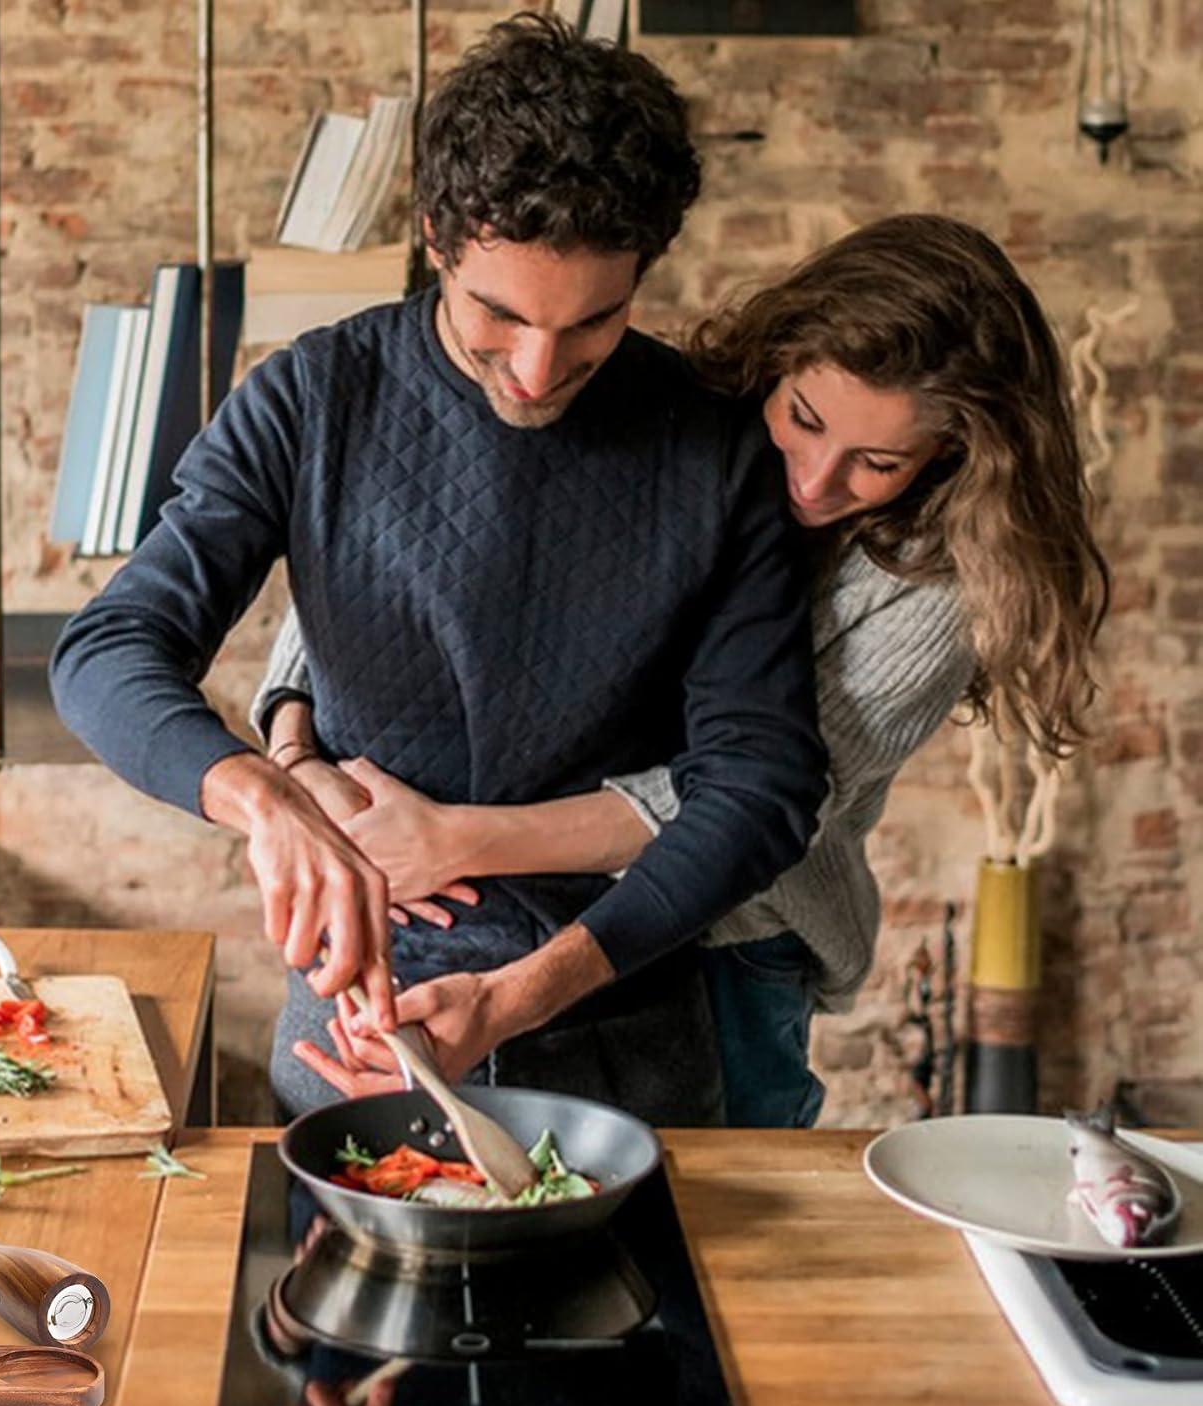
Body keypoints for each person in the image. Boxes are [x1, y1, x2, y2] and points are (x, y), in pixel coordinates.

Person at [50, 14, 829, 1125]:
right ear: (435, 235)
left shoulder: (714, 446)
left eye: (594, 322)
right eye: (497, 316)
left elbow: (761, 786)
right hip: (363, 1021)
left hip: (626, 1019)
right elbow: (107, 652)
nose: (537, 369)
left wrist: (519, 998)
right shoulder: (313, 397)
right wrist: (266, 797)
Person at [259, 213, 1111, 1126]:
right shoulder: (675, 431)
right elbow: (389, 571)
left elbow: (749, 802)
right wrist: (294, 749)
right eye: (805, 419)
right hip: (502, 898)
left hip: (733, 945)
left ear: (952, 455)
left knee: (706, 1232)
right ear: (777, 363)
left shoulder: (937, 596)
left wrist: (457, 839)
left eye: (877, 462)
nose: (816, 479)